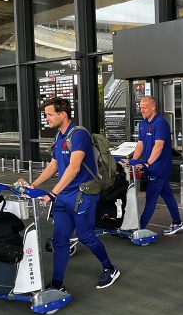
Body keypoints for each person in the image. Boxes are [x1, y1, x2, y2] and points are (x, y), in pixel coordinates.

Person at [30, 97, 120, 290]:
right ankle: (57, 284)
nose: (47, 118)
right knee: (60, 240)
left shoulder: (78, 135)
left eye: (49, 114)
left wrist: (52, 193)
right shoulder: (59, 137)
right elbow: (54, 165)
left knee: (85, 236)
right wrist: (35, 183)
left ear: (63, 114)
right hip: (64, 196)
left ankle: (110, 268)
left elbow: (74, 167)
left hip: (82, 195)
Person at [130, 96, 183, 235]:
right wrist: (133, 161)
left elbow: (159, 146)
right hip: (150, 168)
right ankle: (178, 222)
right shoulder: (142, 124)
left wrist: (147, 163)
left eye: (144, 107)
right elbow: (140, 145)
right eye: (140, 107)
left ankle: (139, 227)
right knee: (167, 194)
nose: (141, 110)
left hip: (159, 168)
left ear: (153, 107)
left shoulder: (161, 123)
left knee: (151, 197)